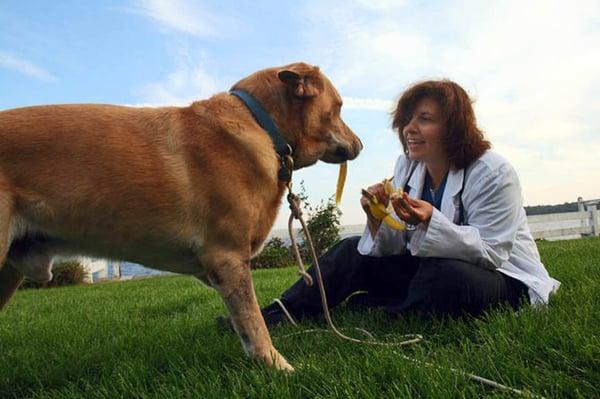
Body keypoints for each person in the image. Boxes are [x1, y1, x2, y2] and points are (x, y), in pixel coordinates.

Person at [222, 79, 561, 329]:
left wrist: (431, 221)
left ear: (454, 126)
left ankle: (389, 309)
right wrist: (376, 219)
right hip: (427, 267)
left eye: (424, 119)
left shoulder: (493, 171)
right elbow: (394, 244)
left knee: (445, 277)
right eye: (408, 120)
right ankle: (275, 316)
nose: (410, 129)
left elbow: (492, 252)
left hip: (503, 279)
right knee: (349, 250)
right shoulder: (409, 165)